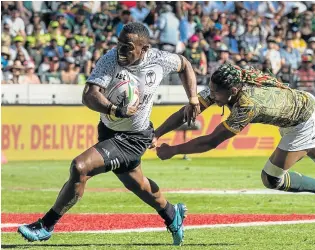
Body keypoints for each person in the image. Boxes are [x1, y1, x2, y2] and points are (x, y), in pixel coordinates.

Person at [17, 22, 200, 246]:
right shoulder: (110, 59)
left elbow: (185, 65)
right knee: (137, 184)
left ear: (144, 49)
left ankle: (45, 225)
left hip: (135, 137)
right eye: (119, 43)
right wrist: (115, 109)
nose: (121, 49)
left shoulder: (159, 59)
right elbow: (89, 94)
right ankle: (172, 214)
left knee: (80, 167)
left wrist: (192, 99)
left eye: (128, 46)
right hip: (108, 131)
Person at [155, 63, 315, 234]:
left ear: (233, 91)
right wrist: (156, 134)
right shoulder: (230, 82)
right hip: (302, 103)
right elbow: (190, 110)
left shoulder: (247, 105)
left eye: (216, 94)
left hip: (303, 119)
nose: (212, 97)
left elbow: (211, 141)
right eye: (211, 91)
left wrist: (174, 150)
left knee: (271, 178)